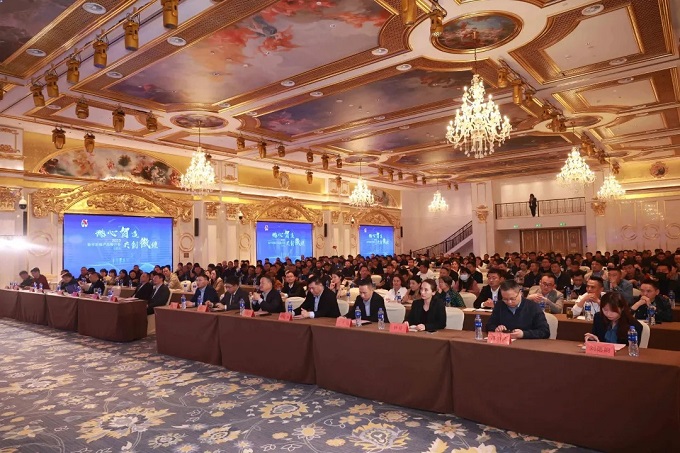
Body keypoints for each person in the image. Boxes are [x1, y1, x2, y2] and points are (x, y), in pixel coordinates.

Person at [486, 280, 550, 340]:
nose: (509, 302)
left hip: (526, 344)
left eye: (512, 299)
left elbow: (545, 331)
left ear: (520, 293)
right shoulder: (499, 305)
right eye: (505, 299)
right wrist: (496, 329)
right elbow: (488, 326)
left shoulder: (533, 307)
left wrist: (523, 334)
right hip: (504, 343)